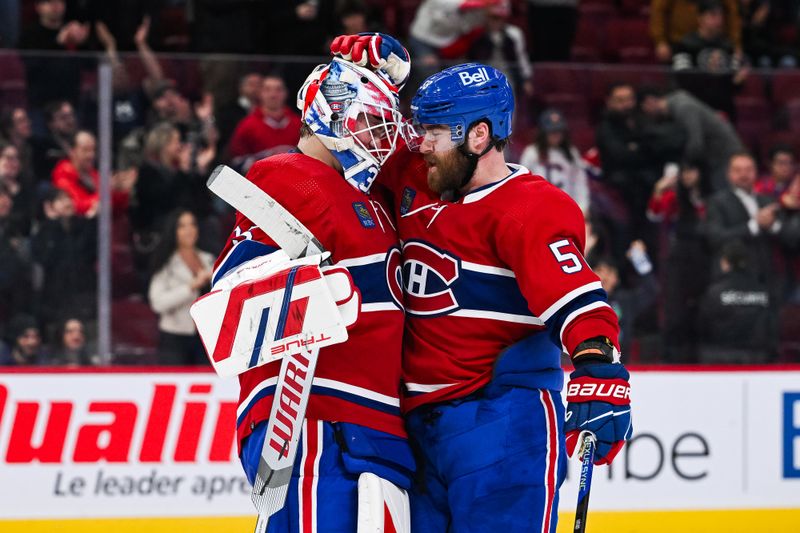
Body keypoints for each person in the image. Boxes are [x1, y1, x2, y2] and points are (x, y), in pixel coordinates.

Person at [333, 38, 632, 531]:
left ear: (478, 136)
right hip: (417, 430)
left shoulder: (529, 208)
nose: (420, 143)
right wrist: (363, 71)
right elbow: (351, 133)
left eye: (432, 131)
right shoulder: (419, 176)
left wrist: (598, 366)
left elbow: (578, 302)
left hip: (503, 426)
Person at [200, 56, 414, 530]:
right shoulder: (289, 175)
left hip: (374, 429)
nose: (380, 140)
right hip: (317, 419)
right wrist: (308, 299)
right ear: (330, 114)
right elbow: (230, 304)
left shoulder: (369, 197)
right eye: (370, 122)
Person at [639, 85, 744, 192]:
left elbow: (695, 143)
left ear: (650, 102)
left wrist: (684, 166)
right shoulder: (676, 108)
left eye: (644, 110)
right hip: (714, 158)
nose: (647, 115)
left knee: (725, 196)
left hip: (724, 156)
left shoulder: (684, 107)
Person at [148, 209, 214, 365]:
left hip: (206, 336)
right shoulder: (166, 263)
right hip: (175, 337)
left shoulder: (209, 259)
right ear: (174, 231)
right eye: (182, 226)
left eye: (192, 224)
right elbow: (158, 302)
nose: (189, 230)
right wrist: (191, 287)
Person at [520, 108, 590, 212]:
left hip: (566, 207)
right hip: (538, 209)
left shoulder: (571, 153)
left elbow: (579, 183)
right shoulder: (531, 152)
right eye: (552, 132)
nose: (556, 135)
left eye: (559, 131)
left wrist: (582, 207)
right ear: (543, 132)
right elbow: (523, 183)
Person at [227, 74, 302, 171]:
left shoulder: (299, 124)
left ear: (286, 93)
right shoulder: (247, 125)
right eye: (267, 90)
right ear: (260, 93)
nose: (273, 95)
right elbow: (236, 161)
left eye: (278, 90)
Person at [51, 130, 99, 218]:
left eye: (93, 150)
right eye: (85, 150)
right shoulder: (62, 173)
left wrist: (119, 191)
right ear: (72, 151)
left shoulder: (95, 174)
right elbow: (75, 205)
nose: (91, 155)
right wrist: (108, 195)